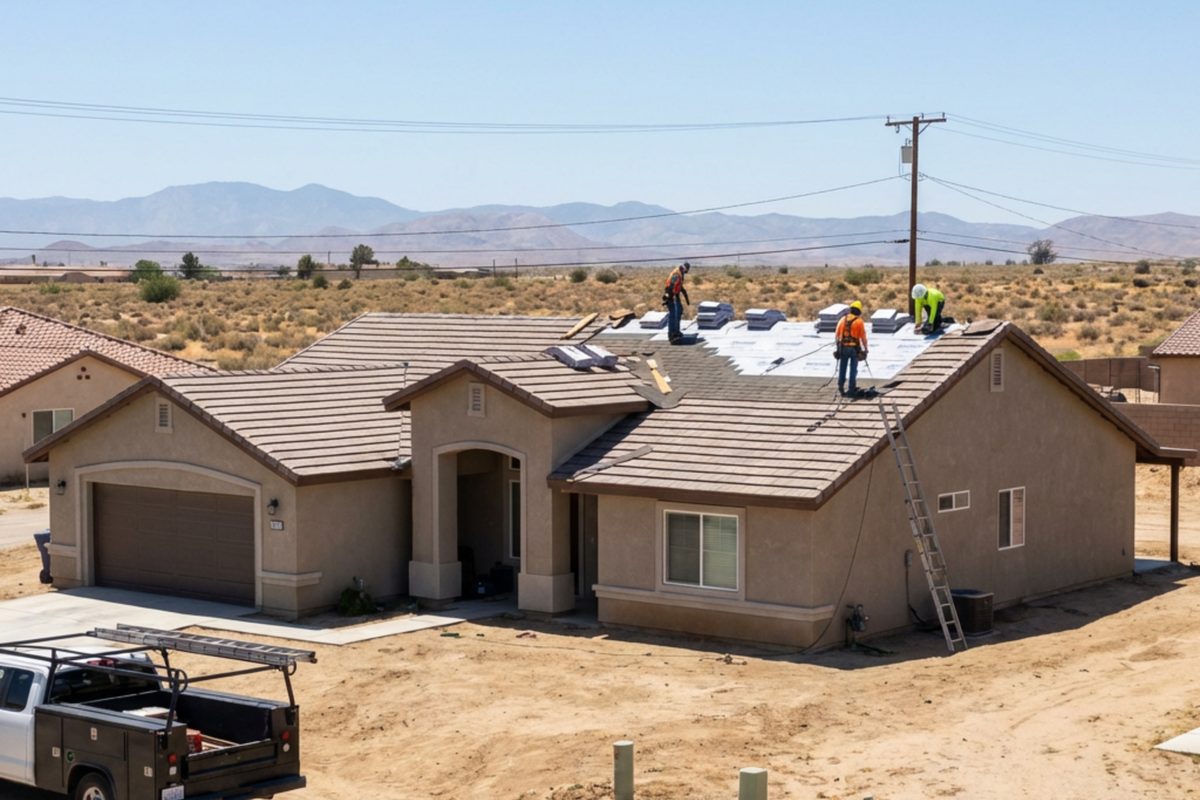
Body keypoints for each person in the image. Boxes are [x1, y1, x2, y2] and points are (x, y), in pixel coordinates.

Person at [835, 300, 868, 396]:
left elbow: (837, 335)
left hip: (843, 348)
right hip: (854, 349)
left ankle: (841, 386)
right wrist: (866, 349)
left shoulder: (842, 319)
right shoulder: (859, 322)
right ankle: (851, 389)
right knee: (853, 368)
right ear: (859, 311)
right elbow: (863, 337)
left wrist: (838, 348)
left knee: (842, 367)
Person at [662, 261, 691, 344]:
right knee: (673, 315)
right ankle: (672, 335)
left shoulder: (680, 273)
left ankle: (676, 331)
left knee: (679, 311)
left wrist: (686, 296)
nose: (686, 272)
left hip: (675, 295)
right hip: (671, 296)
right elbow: (671, 286)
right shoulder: (677, 274)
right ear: (685, 269)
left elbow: (679, 286)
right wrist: (668, 297)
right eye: (686, 271)